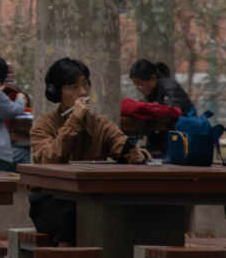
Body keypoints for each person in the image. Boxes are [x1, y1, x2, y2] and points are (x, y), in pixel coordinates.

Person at [28, 58, 150, 247]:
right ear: (56, 92)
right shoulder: (43, 126)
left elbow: (121, 144)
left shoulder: (99, 124)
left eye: (85, 84)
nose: (82, 92)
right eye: (74, 87)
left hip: (88, 198)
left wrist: (140, 155)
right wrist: (74, 121)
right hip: (50, 201)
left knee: (106, 211)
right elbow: (49, 160)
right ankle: (65, 256)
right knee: (75, 211)